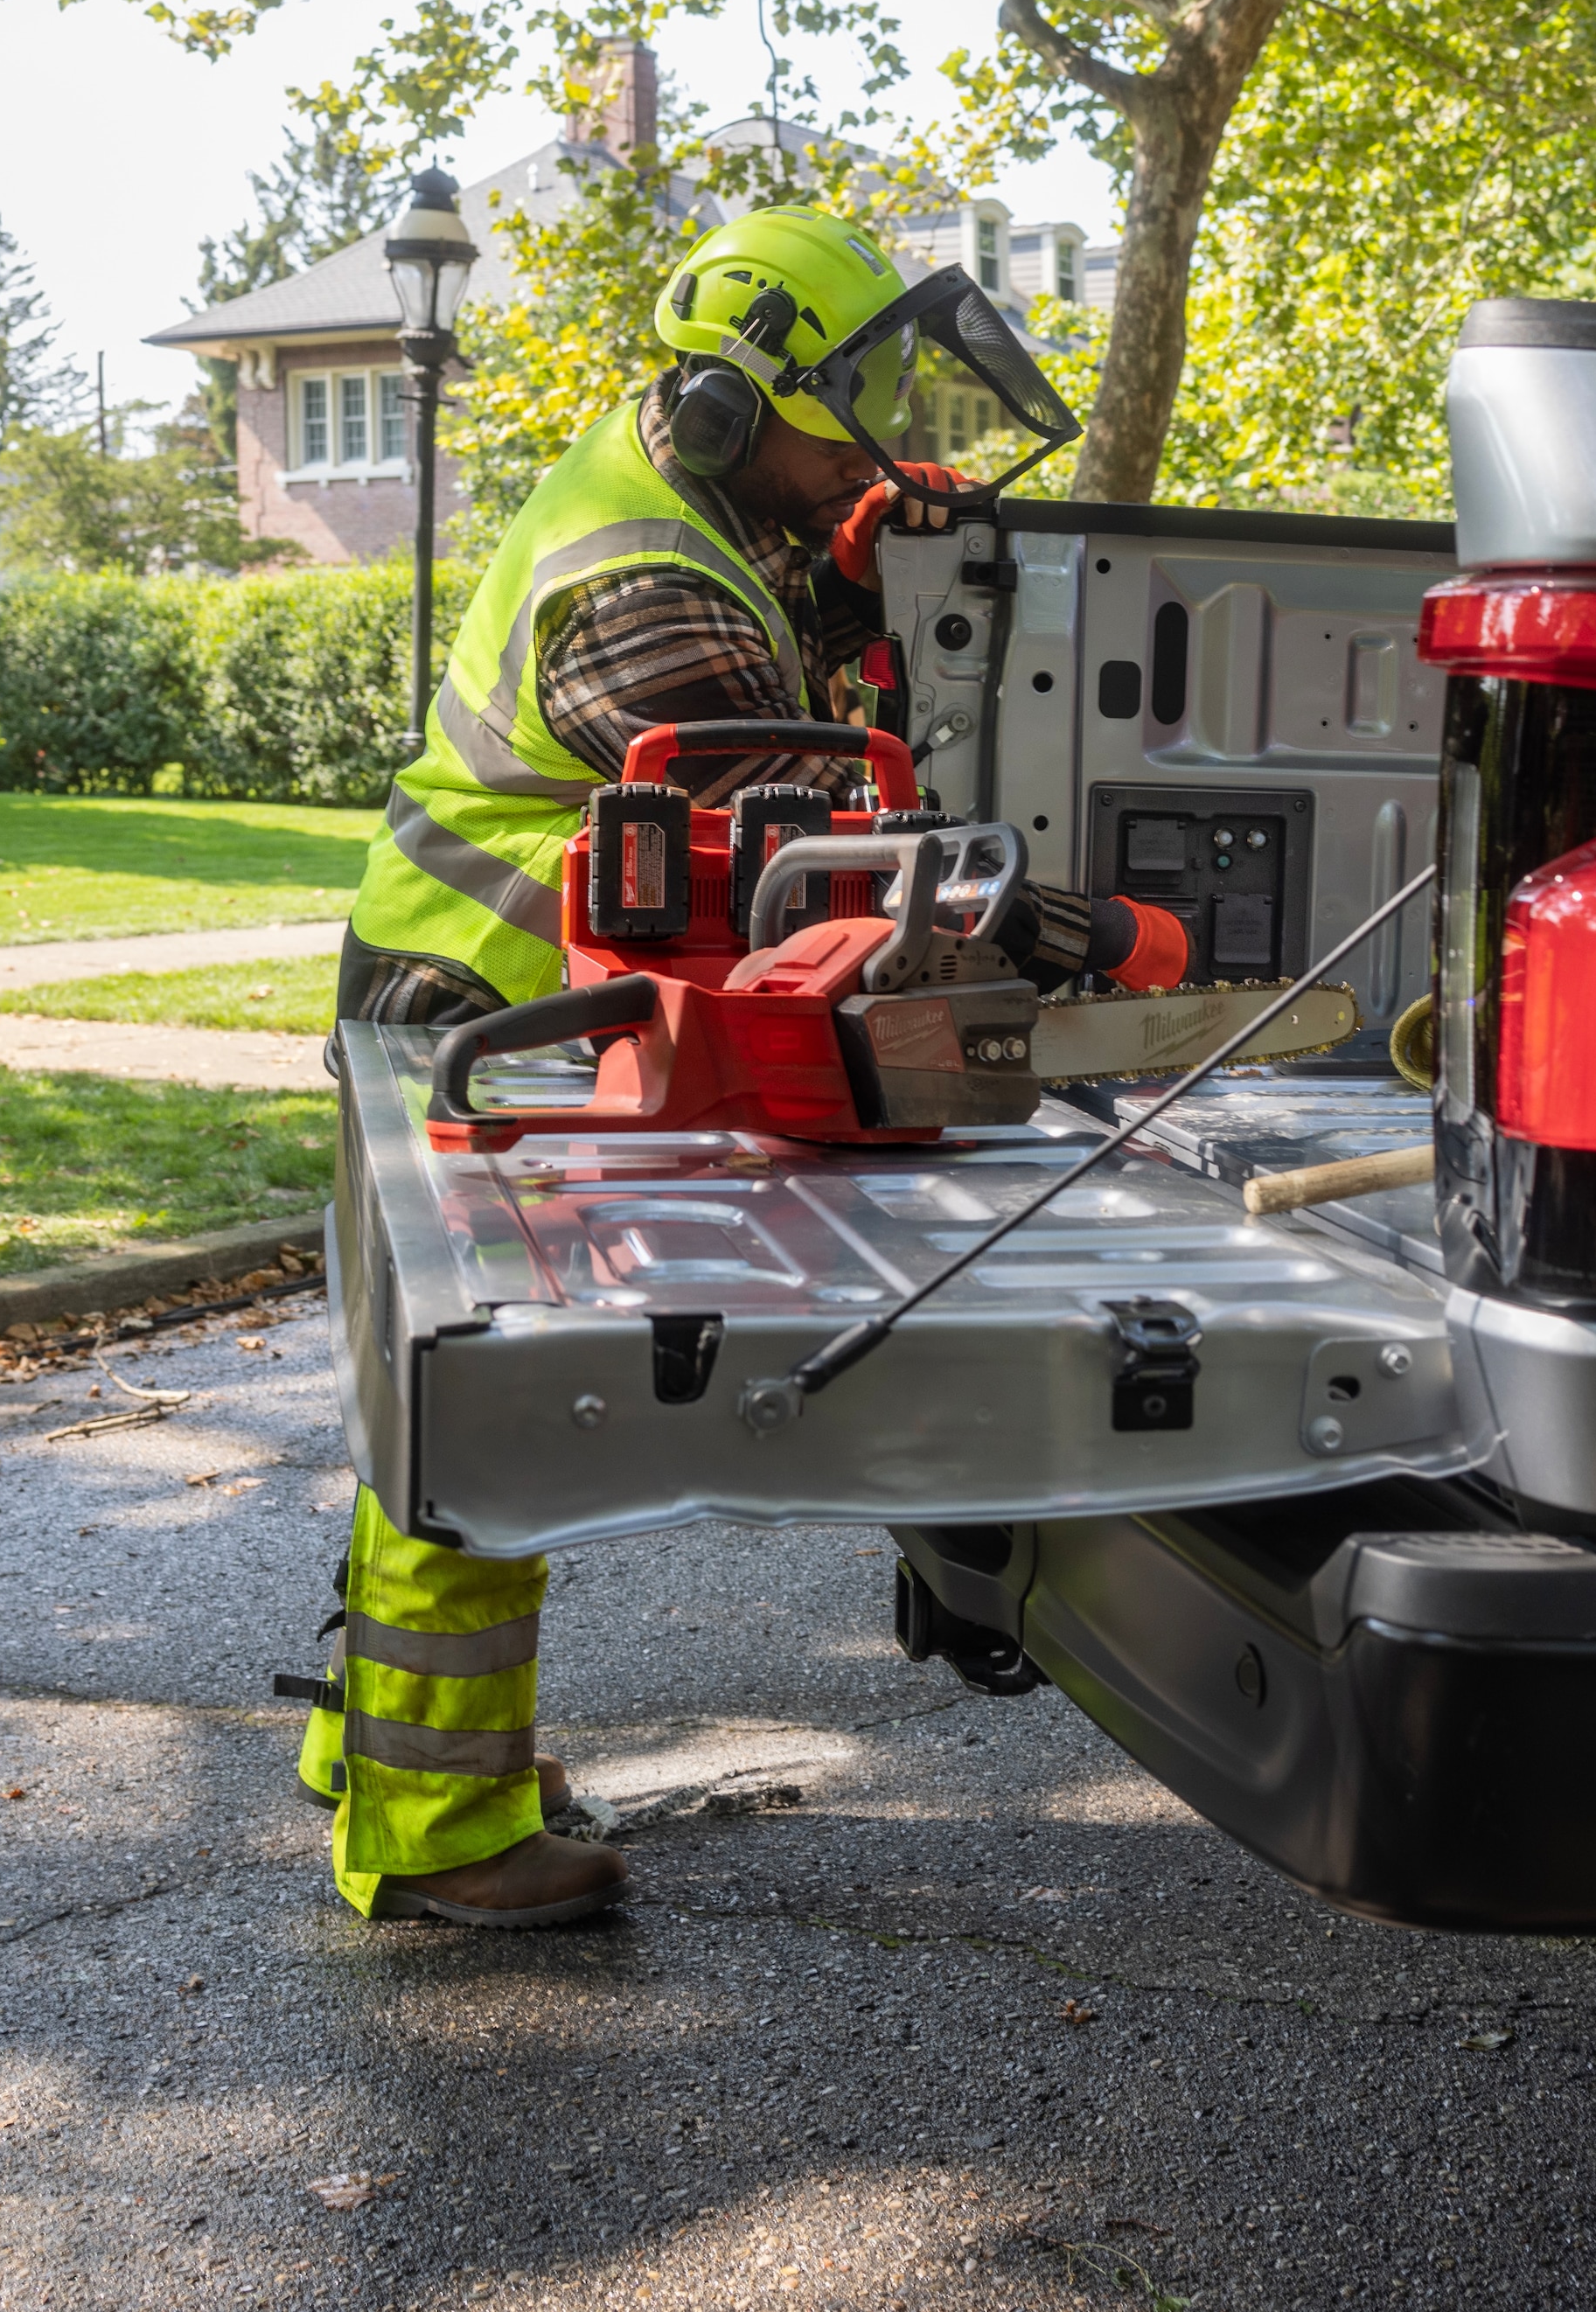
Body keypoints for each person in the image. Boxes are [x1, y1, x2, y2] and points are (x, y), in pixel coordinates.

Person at [300, 204, 1123, 1928]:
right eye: (852, 417)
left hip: (506, 989)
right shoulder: (645, 576)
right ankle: (435, 1833)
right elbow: (805, 823)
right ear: (739, 410)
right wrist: (1070, 933)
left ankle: (385, 1750)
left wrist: (841, 576)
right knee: (487, 1390)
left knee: (434, 1388)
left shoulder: (684, 510)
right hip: (493, 992)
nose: (879, 453)